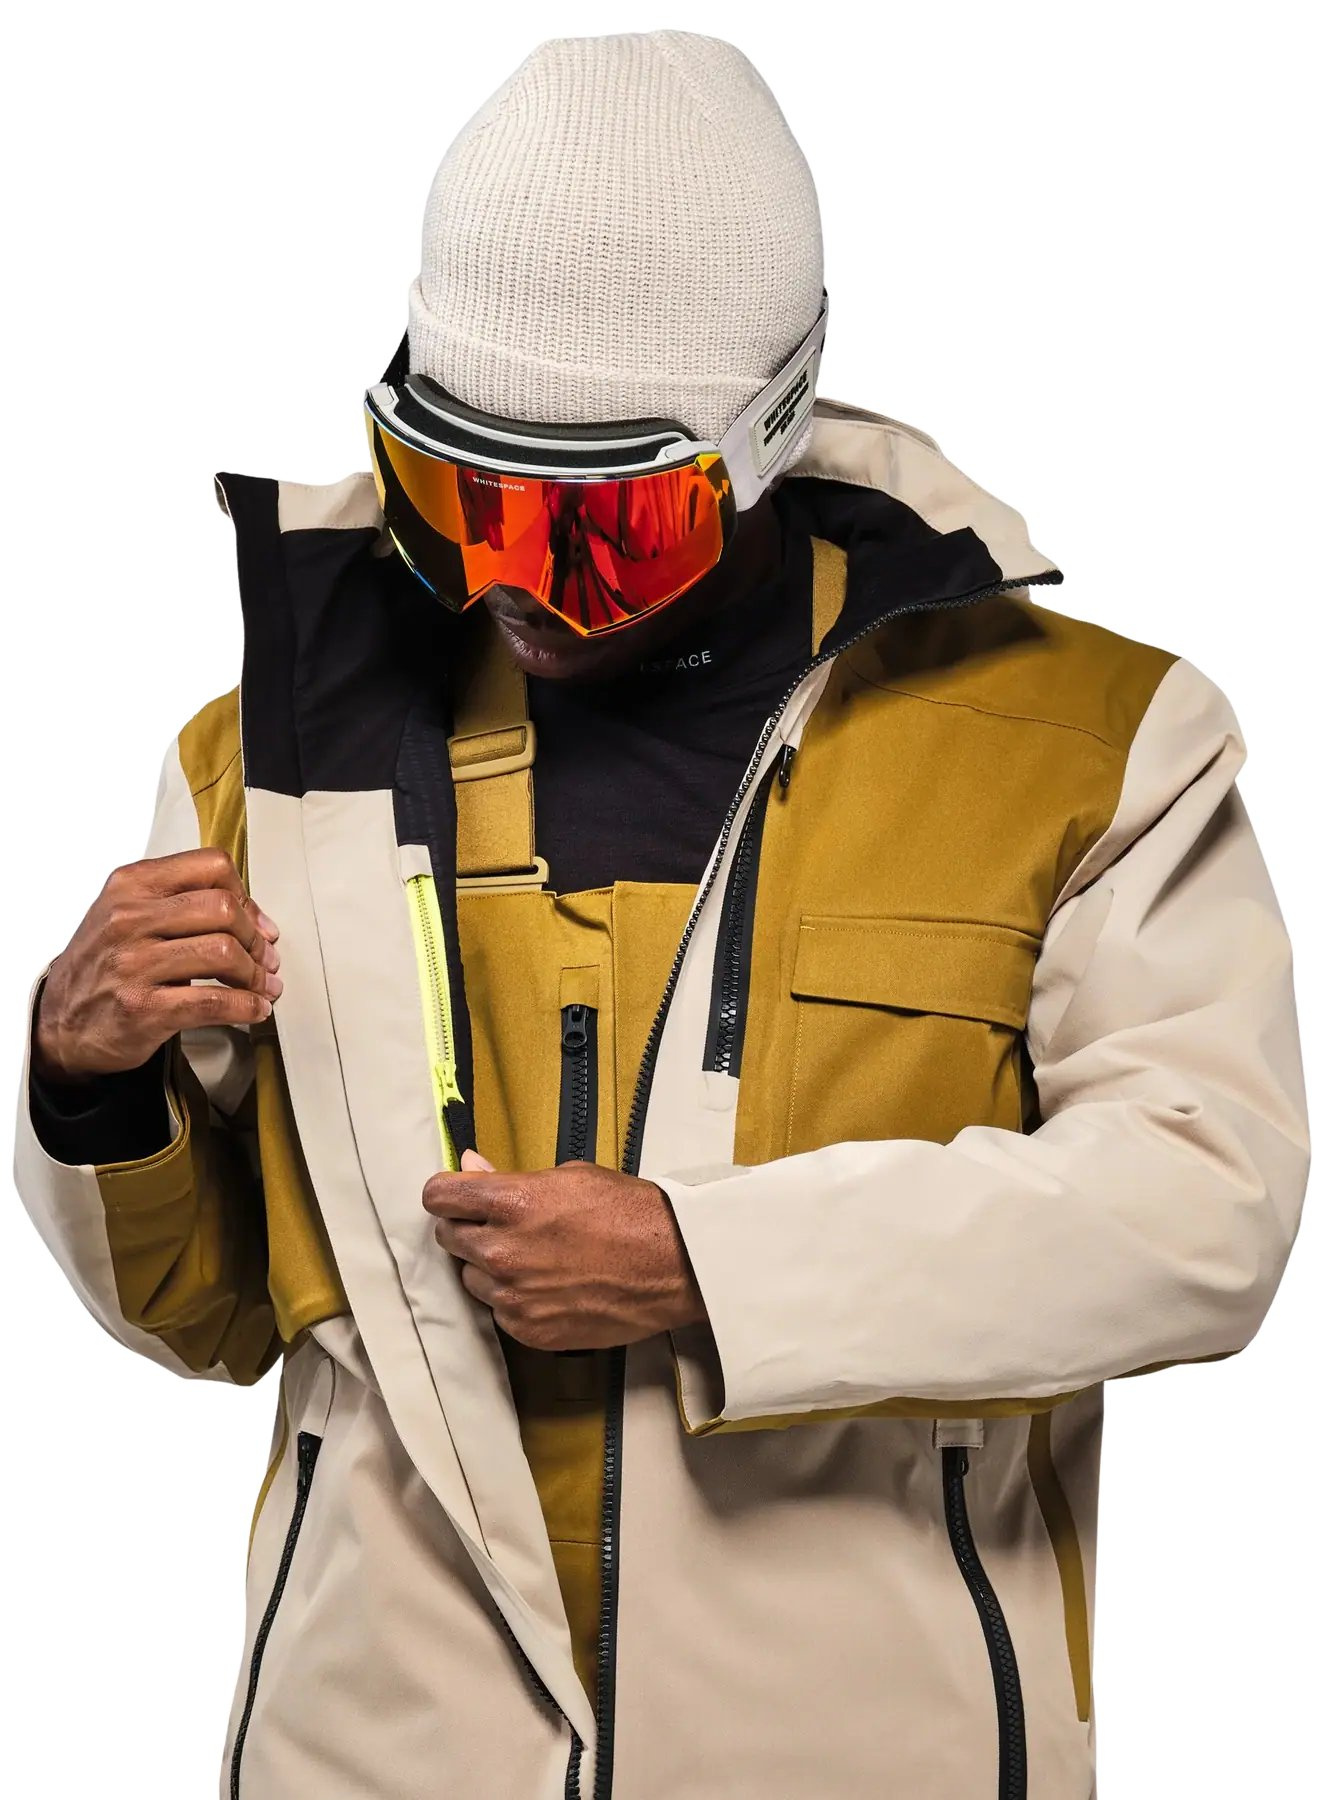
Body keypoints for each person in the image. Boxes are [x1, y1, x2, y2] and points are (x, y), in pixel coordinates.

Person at [13, 29, 1309, 1800]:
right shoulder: (272, 763)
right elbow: (208, 1315)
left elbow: (1205, 1209)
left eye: (595, 533)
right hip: (369, 1755)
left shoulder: (1091, 747)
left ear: (765, 437)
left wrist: (710, 1266)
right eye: (455, 502)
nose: (507, 585)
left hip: (857, 1760)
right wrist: (87, 1086)